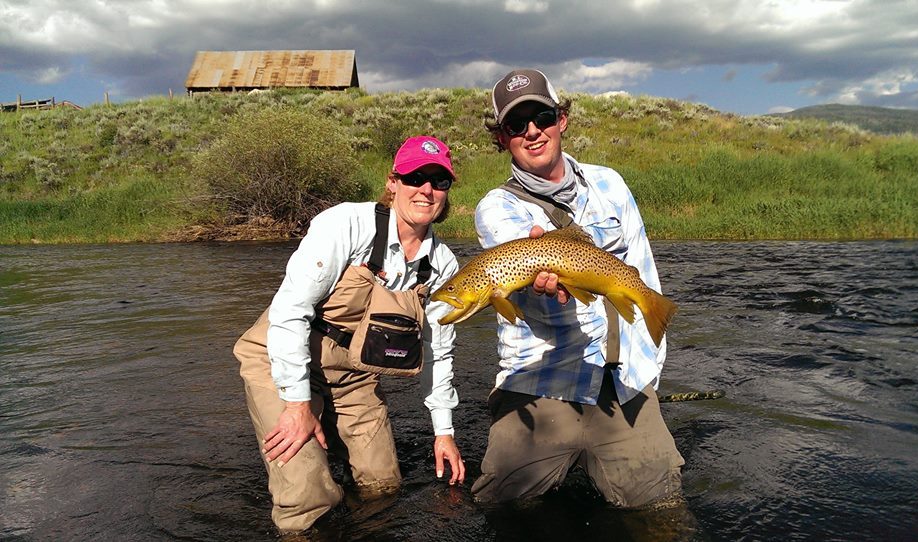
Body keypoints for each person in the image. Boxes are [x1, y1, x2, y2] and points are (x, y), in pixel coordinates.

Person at [470, 69, 685, 509]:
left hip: (621, 381)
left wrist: (649, 373)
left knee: (662, 510)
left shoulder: (610, 184)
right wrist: (540, 259)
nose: (533, 131)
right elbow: (519, 263)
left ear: (562, 120)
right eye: (517, 125)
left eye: (543, 117)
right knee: (501, 509)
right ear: (502, 138)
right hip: (540, 383)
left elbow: (643, 271)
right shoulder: (496, 207)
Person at [233, 135, 465, 534]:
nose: (426, 189)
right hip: (279, 361)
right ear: (393, 182)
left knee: (382, 486)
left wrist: (444, 433)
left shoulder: (442, 266)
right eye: (414, 177)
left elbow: (438, 351)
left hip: (354, 376)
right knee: (307, 499)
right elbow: (290, 311)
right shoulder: (347, 225)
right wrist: (298, 406)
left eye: (438, 181)